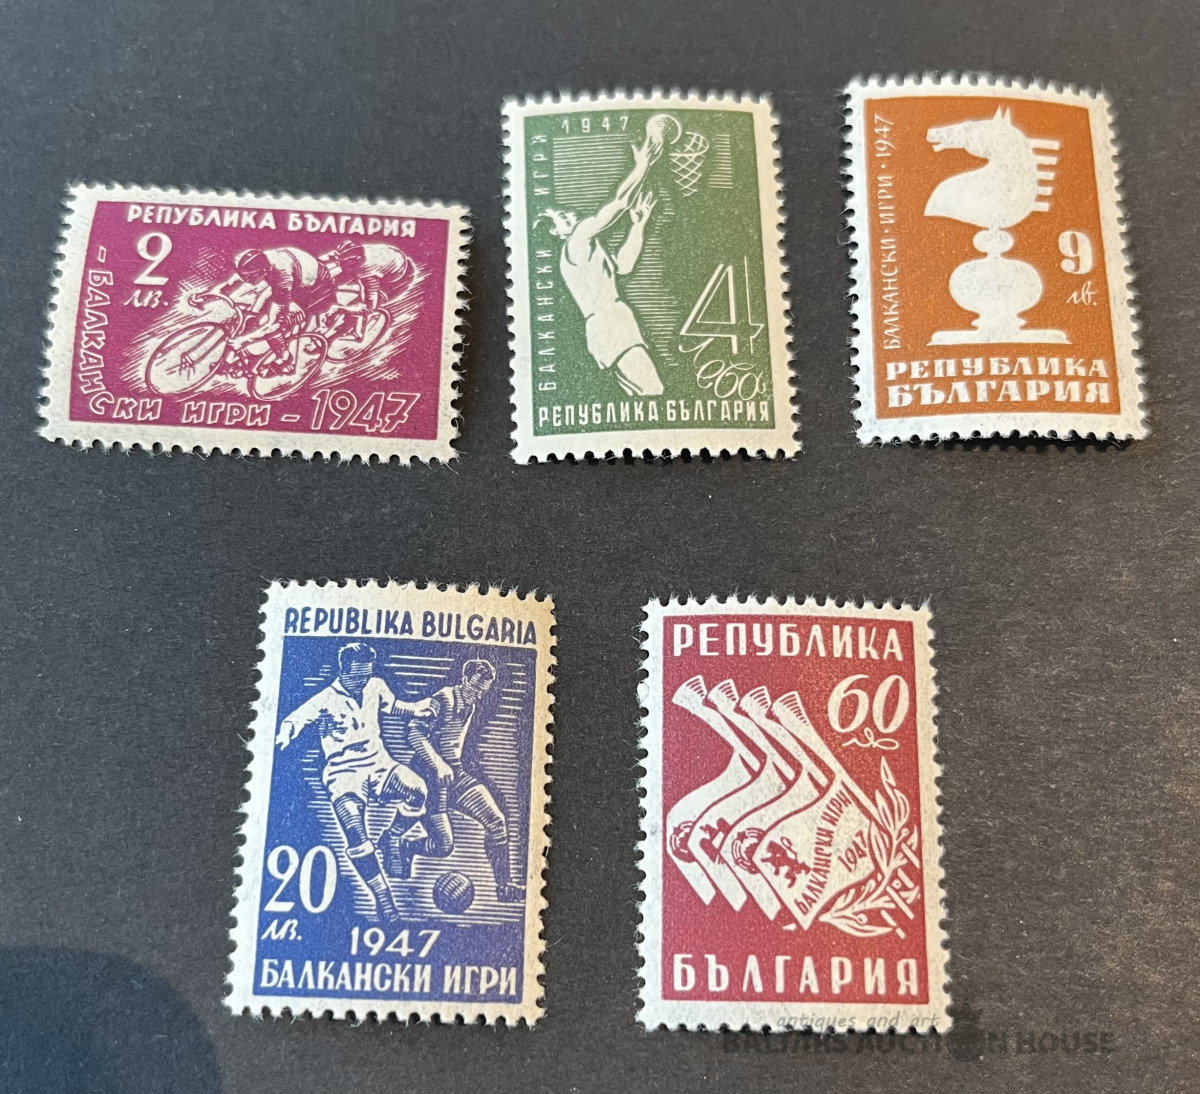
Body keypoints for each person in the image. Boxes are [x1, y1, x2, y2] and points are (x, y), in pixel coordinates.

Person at [276, 642, 435, 923]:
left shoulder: (375, 685)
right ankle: (383, 897)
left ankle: (392, 836)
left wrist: (415, 709)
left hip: (380, 764)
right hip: (344, 772)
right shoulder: (326, 699)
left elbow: (392, 706)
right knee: (355, 832)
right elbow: (295, 720)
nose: (363, 681)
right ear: (344, 670)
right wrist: (284, 734)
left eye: (367, 674)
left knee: (418, 790)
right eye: (358, 675)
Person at [540, 125, 666, 398]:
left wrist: (638, 226)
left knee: (642, 396)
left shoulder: (586, 247)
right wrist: (642, 166)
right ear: (556, 232)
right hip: (608, 323)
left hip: (612, 320)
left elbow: (623, 267)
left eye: (565, 212)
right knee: (653, 390)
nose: (568, 215)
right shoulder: (576, 240)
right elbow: (620, 203)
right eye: (561, 217)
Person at [389, 660, 525, 903]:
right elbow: (414, 732)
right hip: (429, 777)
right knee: (443, 846)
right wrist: (437, 764)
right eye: (475, 687)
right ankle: (407, 846)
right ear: (464, 679)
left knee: (497, 822)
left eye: (483, 690)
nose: (479, 694)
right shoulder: (443, 699)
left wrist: (448, 766)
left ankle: (504, 887)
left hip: (456, 775)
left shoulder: (471, 704)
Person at [207, 246, 340, 375]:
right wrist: (206, 297)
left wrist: (244, 341)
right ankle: (228, 362)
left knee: (272, 321)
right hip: (294, 278)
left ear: (263, 271)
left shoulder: (281, 277)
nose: (246, 280)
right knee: (252, 317)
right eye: (244, 276)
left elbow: (273, 324)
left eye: (250, 276)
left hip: (314, 290)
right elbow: (230, 284)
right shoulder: (260, 263)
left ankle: (284, 358)